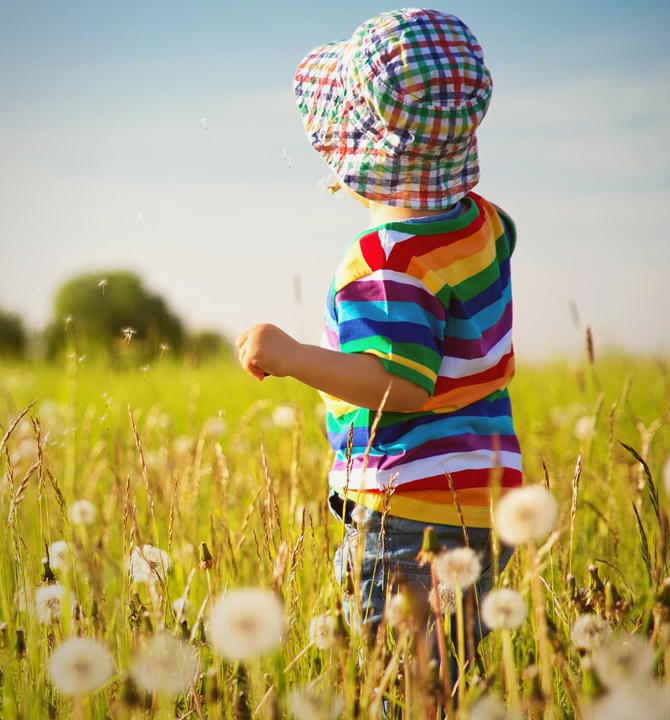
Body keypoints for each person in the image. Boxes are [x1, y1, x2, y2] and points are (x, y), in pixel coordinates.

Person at [233, 5, 518, 686]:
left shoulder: (388, 265)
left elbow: (399, 382)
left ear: (355, 155)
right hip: (484, 496)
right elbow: (505, 237)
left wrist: (294, 356)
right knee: (455, 678)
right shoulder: (483, 223)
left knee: (405, 684)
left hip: (407, 516)